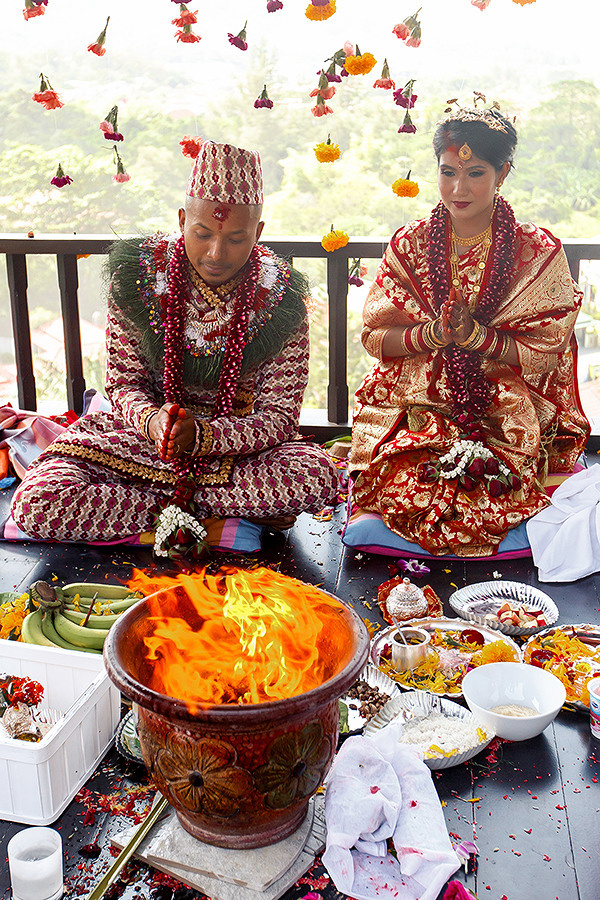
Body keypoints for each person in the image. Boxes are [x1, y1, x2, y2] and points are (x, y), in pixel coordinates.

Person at [11, 140, 339, 553]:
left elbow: (279, 417)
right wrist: (156, 424)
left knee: (315, 476)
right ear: (182, 220)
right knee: (37, 503)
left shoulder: (281, 298)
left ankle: (166, 510)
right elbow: (124, 385)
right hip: (143, 441)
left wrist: (202, 435)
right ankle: (213, 513)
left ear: (258, 233)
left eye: (236, 239)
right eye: (202, 234)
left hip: (239, 449)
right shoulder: (139, 279)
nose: (216, 253)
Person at [348, 105, 589, 558]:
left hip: (506, 404)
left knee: (489, 485)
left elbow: (546, 352)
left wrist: (479, 339)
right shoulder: (409, 244)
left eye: (475, 173)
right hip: (420, 397)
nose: (459, 189)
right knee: (409, 479)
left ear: (503, 173)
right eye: (448, 172)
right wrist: (434, 335)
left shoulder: (536, 251)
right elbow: (376, 338)